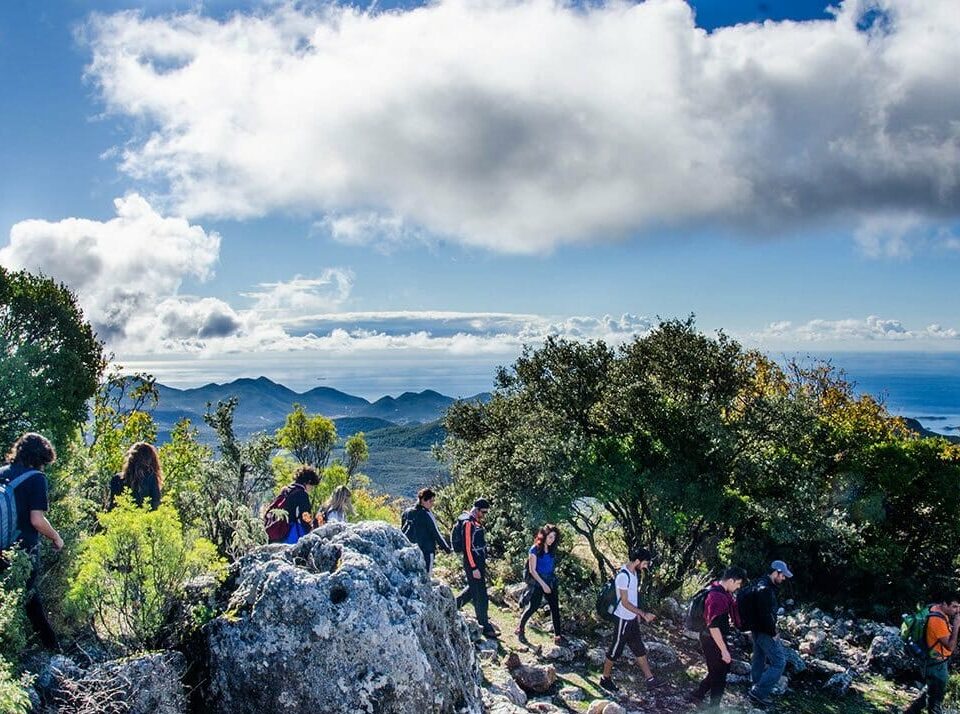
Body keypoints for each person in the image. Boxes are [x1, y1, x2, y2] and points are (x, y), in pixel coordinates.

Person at [0, 433, 63, 650]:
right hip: (22, 550)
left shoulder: (2, 473)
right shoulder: (36, 478)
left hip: (0, 548)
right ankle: (53, 650)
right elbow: (36, 520)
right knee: (30, 599)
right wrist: (56, 537)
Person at [599, 548, 663, 693]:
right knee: (616, 649)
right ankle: (605, 679)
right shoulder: (623, 576)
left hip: (632, 618)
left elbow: (633, 598)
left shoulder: (634, 573)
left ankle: (650, 679)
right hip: (623, 618)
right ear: (638, 561)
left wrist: (638, 615)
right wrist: (643, 613)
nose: (646, 566)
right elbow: (625, 603)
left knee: (638, 647)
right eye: (645, 563)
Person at [688, 566, 747, 709]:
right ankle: (714, 707)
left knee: (720, 669)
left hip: (712, 637)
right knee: (719, 674)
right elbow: (713, 627)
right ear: (732, 581)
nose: (738, 588)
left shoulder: (717, 589)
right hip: (711, 638)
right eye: (738, 584)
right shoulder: (717, 597)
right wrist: (724, 650)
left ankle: (698, 694)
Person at [745, 560, 793, 708]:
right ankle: (758, 693)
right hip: (765, 631)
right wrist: (773, 632)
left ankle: (755, 689)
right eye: (782, 575)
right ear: (776, 572)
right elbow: (765, 615)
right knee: (779, 662)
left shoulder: (759, 583)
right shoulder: (766, 589)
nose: (783, 578)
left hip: (756, 629)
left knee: (759, 657)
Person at [904, 593, 960, 714]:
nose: (957, 610)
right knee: (936, 702)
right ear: (944, 604)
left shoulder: (934, 608)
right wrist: (956, 626)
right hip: (936, 664)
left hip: (932, 661)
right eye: (954, 607)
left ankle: (910, 712)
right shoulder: (937, 620)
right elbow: (950, 646)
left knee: (931, 691)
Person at [455, 498, 498, 638]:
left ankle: (453, 606)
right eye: (483, 512)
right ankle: (485, 625)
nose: (484, 515)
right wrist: (474, 567)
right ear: (477, 509)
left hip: (478, 562)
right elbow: (467, 548)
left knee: (473, 590)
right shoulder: (468, 523)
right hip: (472, 563)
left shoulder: (474, 522)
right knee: (481, 594)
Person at [516, 524, 563, 644]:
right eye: (550, 537)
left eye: (554, 537)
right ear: (544, 536)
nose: (552, 540)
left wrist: (549, 583)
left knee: (555, 608)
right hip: (538, 582)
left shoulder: (552, 549)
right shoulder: (534, 549)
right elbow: (532, 570)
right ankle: (520, 629)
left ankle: (558, 636)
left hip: (550, 580)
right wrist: (543, 585)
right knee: (533, 607)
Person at [401, 487, 451, 573]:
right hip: (427, 551)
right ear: (423, 500)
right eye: (431, 501)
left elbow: (401, 531)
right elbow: (436, 533)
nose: (432, 504)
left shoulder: (406, 512)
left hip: (410, 551)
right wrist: (447, 548)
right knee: (427, 576)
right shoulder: (427, 514)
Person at [108, 442, 163, 510]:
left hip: (121, 518)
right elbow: (155, 505)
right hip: (144, 519)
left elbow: (113, 507)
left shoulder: (117, 479)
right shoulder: (151, 479)